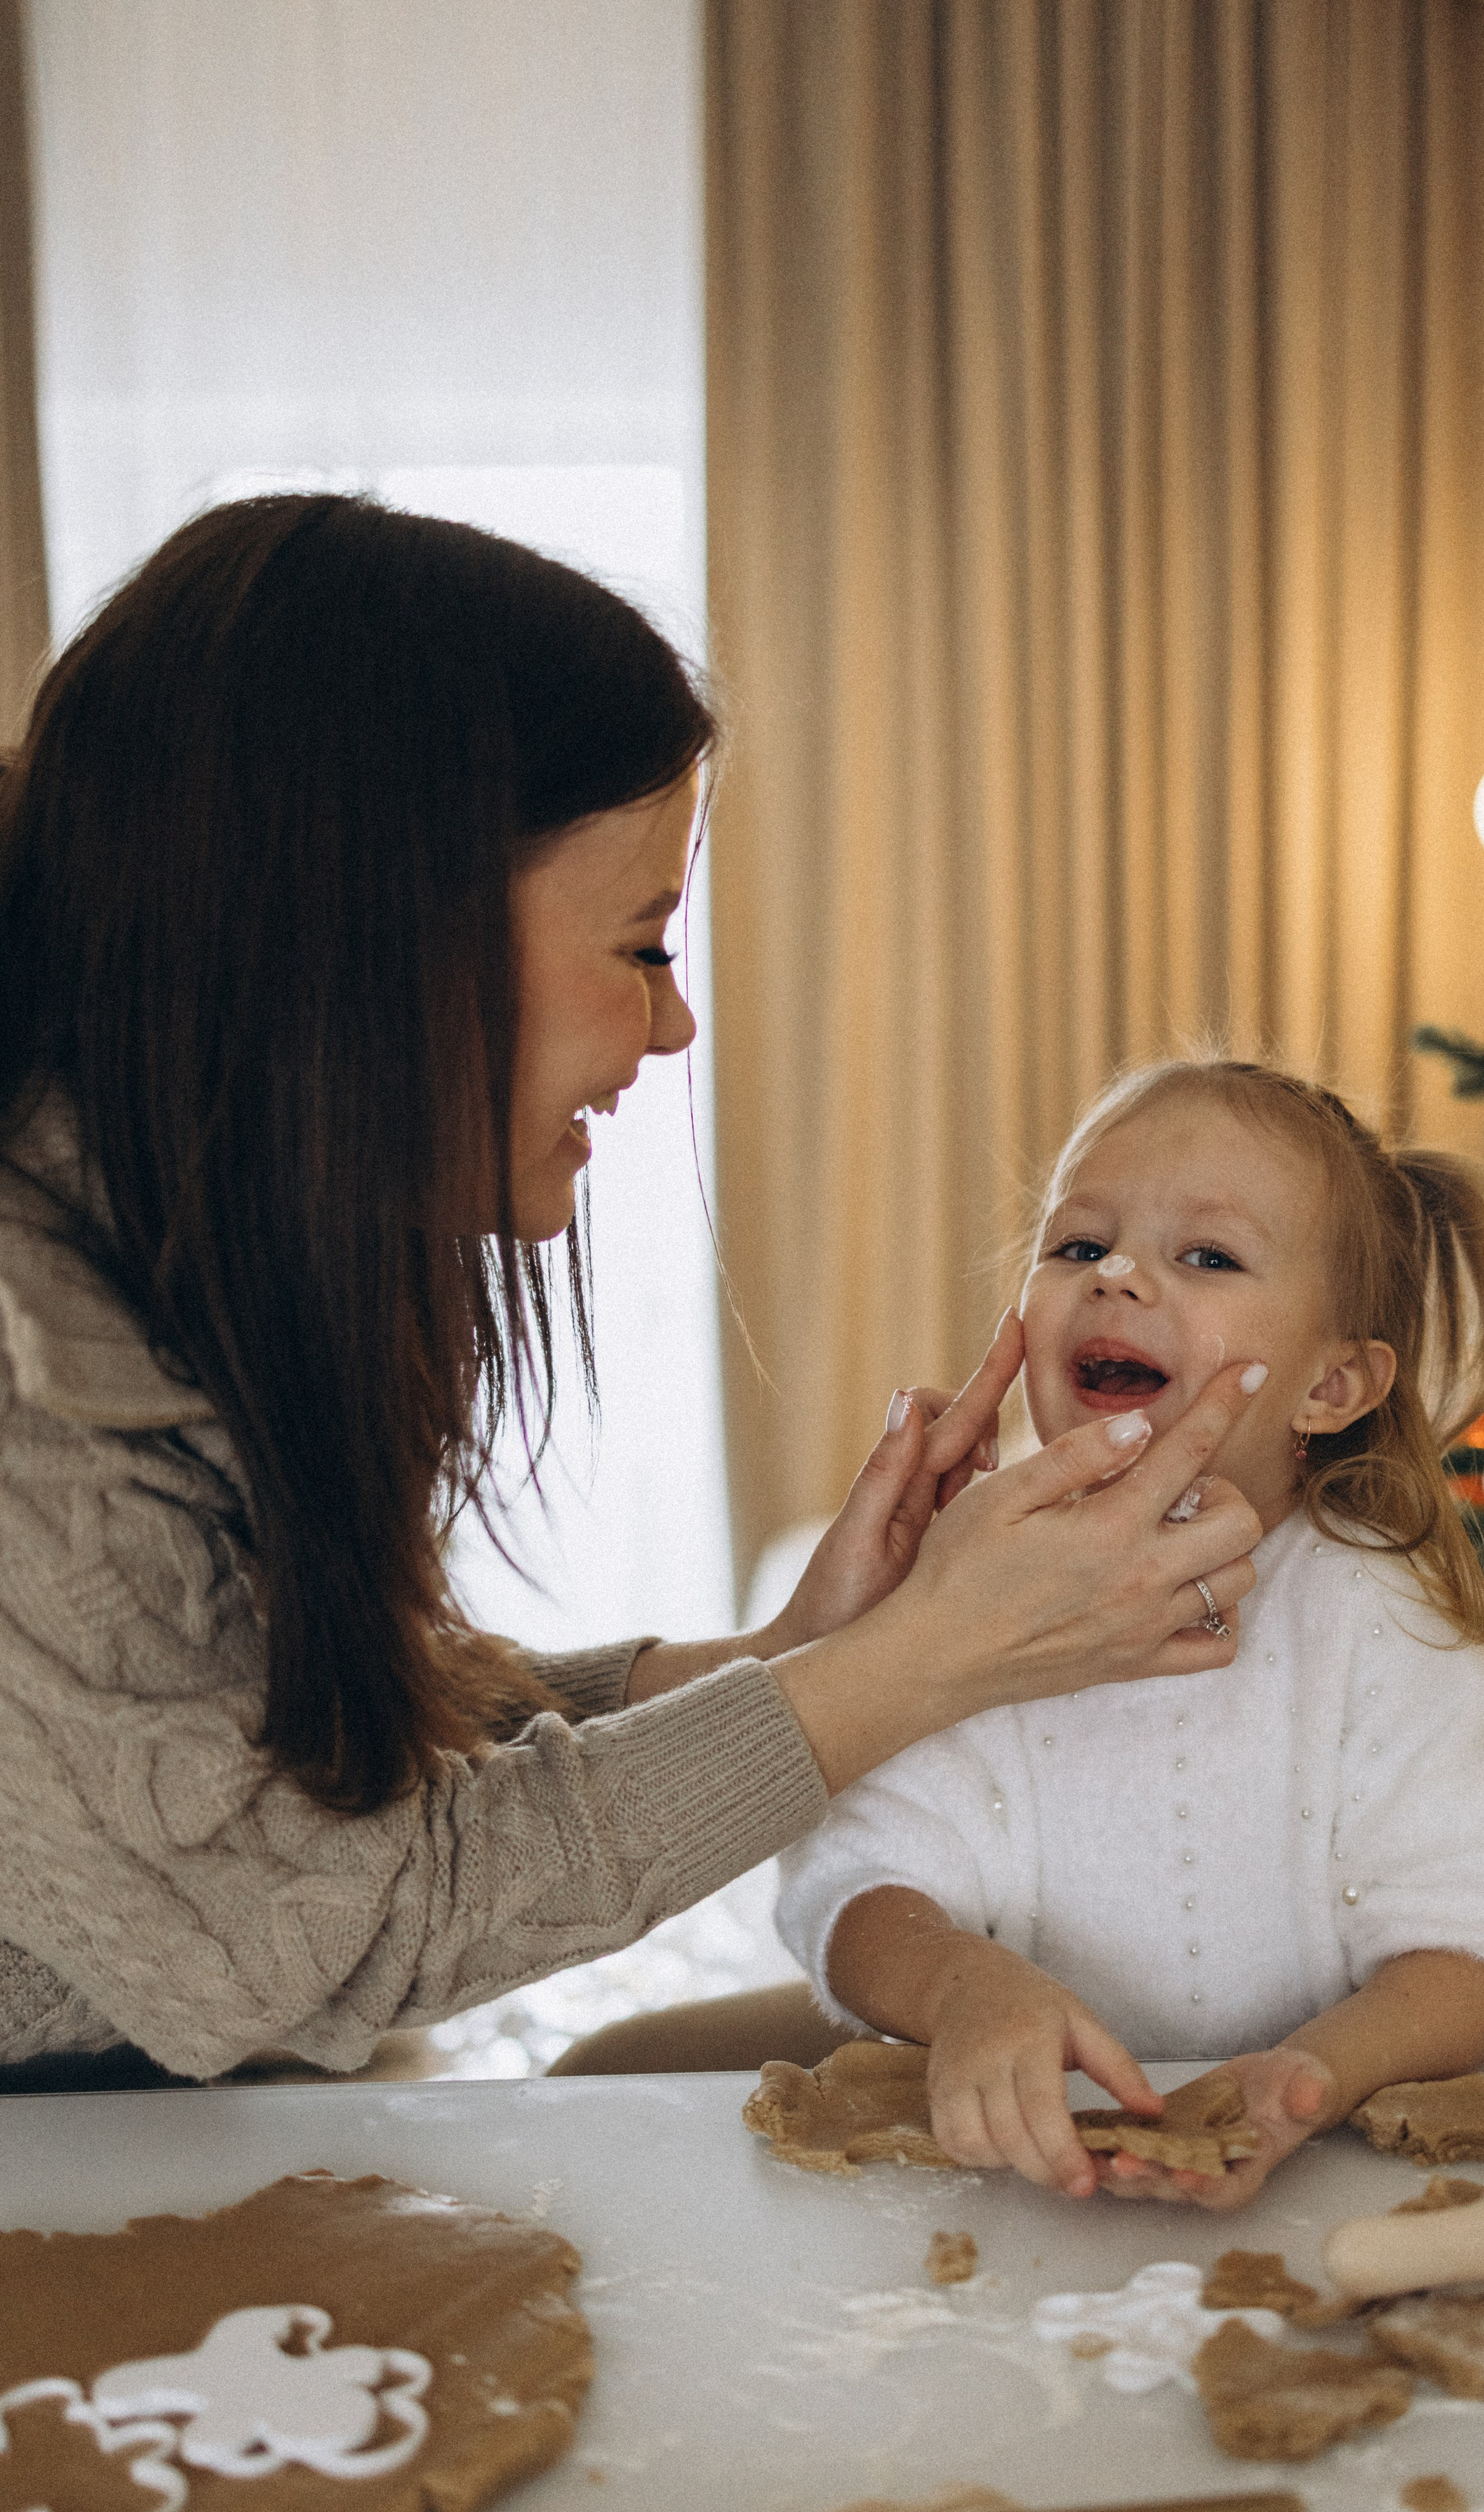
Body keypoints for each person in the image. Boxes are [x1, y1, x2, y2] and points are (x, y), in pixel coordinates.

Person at [0, 495, 1262, 2088]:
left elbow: (290, 1742)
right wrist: (918, 1662)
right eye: (645, 948)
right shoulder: (31, 1394)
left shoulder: (182, 1258)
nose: (672, 1030)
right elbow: (317, 1926)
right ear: (387, 946)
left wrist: (794, 1648)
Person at [774, 1059, 1484, 2209]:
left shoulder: (1369, 1615)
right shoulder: (967, 1582)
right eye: (1080, 1244)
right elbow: (858, 1880)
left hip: (1318, 2190)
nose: (1117, 1275)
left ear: (1333, 1384)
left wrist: (1314, 2075)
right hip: (1016, 2190)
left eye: (1208, 1257)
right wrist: (960, 1985)